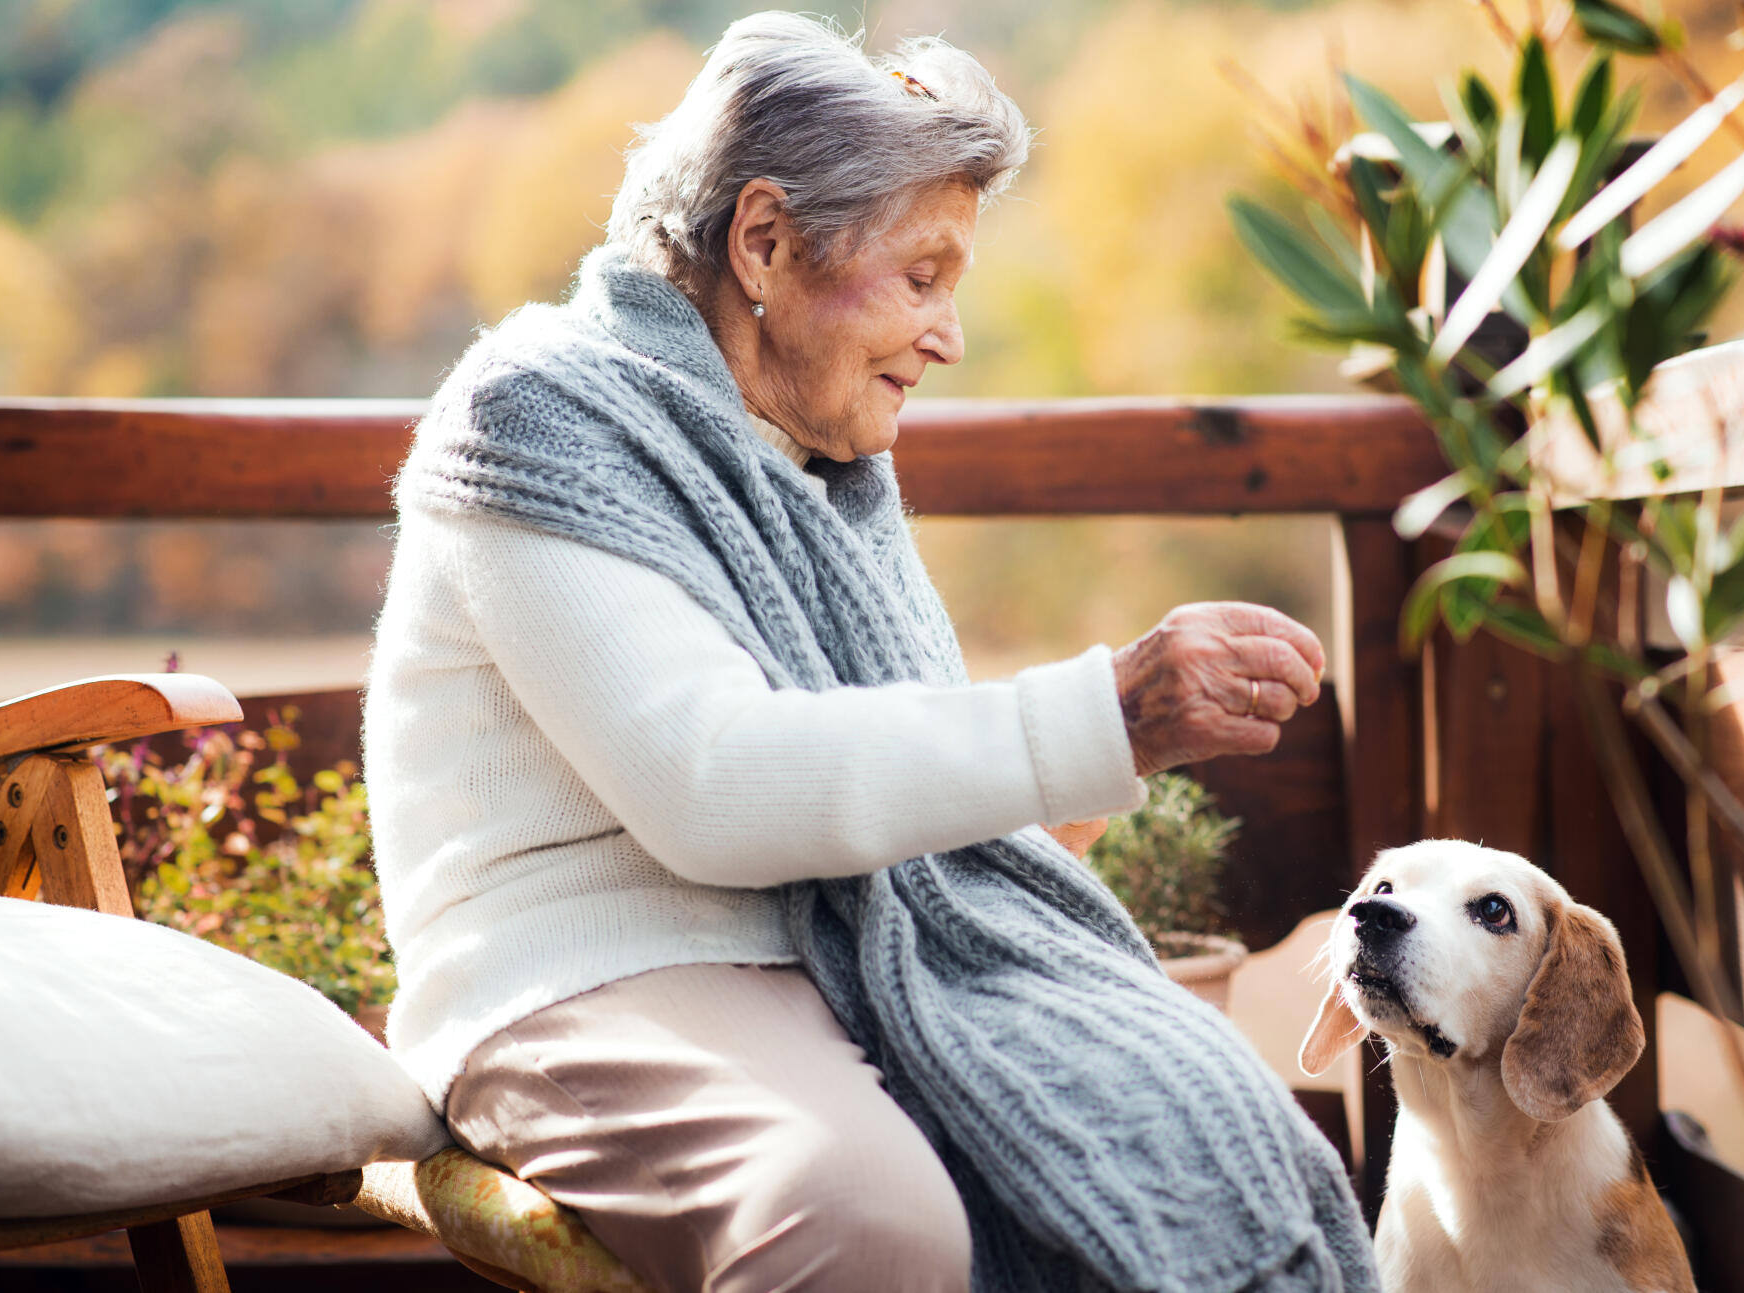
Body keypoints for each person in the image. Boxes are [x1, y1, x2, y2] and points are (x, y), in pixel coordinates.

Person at [365, 12, 1375, 1292]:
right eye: (921, 277)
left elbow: (874, 787)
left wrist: (1028, 828)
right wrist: (1105, 716)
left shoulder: (819, 467)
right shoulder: (536, 414)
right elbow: (711, 787)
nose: (947, 336)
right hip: (576, 975)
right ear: (765, 242)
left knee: (1213, 1138)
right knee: (862, 1221)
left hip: (829, 947)